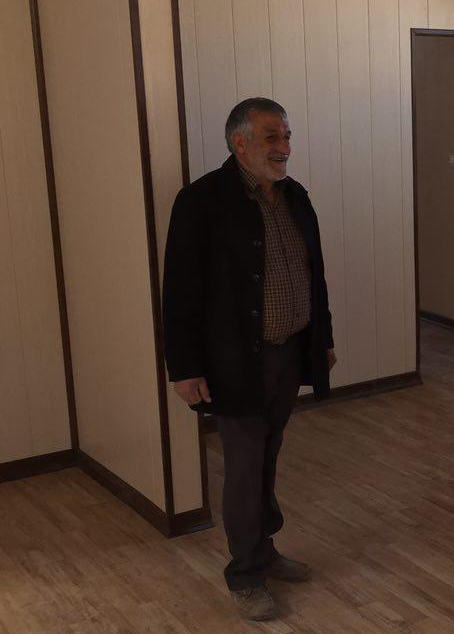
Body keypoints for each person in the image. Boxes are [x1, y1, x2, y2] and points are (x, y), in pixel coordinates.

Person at [162, 97, 335, 621]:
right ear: (239, 143)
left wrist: (322, 339)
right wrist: (184, 368)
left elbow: (314, 274)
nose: (284, 148)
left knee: (267, 455)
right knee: (243, 465)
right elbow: (180, 290)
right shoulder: (202, 201)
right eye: (271, 137)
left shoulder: (295, 196)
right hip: (235, 362)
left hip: (288, 352)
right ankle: (246, 576)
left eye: (286, 136)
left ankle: (264, 549)